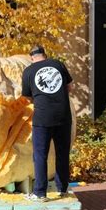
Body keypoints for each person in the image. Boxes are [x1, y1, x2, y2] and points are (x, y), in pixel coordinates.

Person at [21, 45, 73, 202]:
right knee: (62, 153)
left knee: (40, 156)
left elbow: (27, 98)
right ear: (45, 54)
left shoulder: (29, 71)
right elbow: (70, 86)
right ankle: (63, 189)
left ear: (31, 58)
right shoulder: (57, 64)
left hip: (42, 118)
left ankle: (40, 193)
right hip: (64, 116)